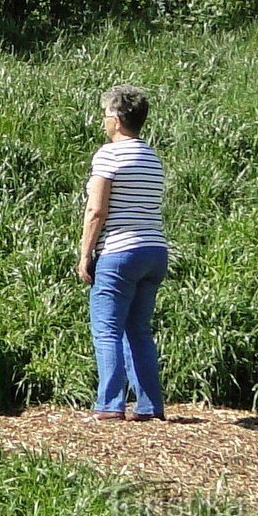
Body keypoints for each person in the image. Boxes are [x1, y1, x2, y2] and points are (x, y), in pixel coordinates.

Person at [78, 83, 168, 422]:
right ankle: (149, 405)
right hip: (155, 250)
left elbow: (96, 211)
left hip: (119, 252)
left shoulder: (108, 154)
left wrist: (86, 254)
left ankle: (109, 404)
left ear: (116, 119)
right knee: (139, 329)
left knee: (107, 329)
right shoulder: (151, 157)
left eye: (105, 115)